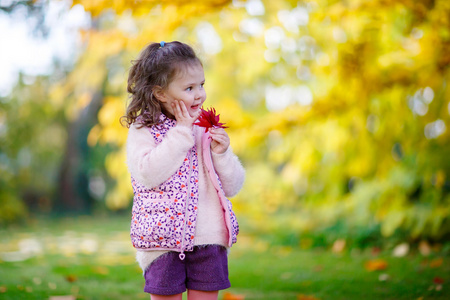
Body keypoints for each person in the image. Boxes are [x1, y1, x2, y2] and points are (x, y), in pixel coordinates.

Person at [122, 41, 245, 300]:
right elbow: (147, 173)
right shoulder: (144, 129)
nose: (199, 94)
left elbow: (232, 186)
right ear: (161, 93)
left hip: (208, 238)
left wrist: (221, 154)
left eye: (202, 85)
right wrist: (181, 131)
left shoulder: (205, 128)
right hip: (162, 239)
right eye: (189, 88)